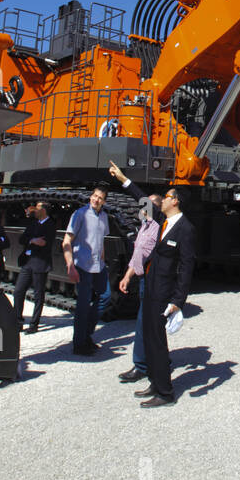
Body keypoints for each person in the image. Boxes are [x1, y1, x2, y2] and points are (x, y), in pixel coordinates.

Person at [135, 187, 195, 407]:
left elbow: (187, 267)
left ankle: (166, 393)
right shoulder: (164, 220)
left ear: (175, 201)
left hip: (163, 292)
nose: (162, 200)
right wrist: (124, 180)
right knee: (149, 337)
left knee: (158, 341)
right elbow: (141, 198)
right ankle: (155, 381)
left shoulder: (185, 229)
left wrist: (178, 301)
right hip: (151, 287)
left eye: (167, 197)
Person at [107, 161, 164, 382]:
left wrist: (122, 178)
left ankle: (143, 364)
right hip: (141, 277)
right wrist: (128, 275)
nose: (143, 207)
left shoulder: (158, 221)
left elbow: (137, 195)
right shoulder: (145, 226)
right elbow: (138, 253)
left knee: (146, 322)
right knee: (146, 322)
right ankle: (150, 361)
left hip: (152, 279)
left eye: (148, 205)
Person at [63, 187, 110, 356]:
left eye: (100, 198)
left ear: (104, 201)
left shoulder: (104, 217)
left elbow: (101, 240)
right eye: (94, 196)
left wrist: (103, 259)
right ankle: (79, 344)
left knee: (105, 296)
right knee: (83, 306)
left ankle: (86, 333)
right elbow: (67, 241)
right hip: (82, 265)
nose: (96, 200)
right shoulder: (80, 214)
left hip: (99, 265)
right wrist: (70, 265)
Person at [13, 201, 56, 333]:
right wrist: (33, 240)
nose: (34, 210)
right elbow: (22, 239)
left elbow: (44, 243)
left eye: (37, 207)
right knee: (18, 291)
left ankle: (34, 324)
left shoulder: (50, 225)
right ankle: (17, 321)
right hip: (28, 261)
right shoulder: (33, 224)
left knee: (38, 294)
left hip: (40, 262)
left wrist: (32, 240)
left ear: (44, 210)